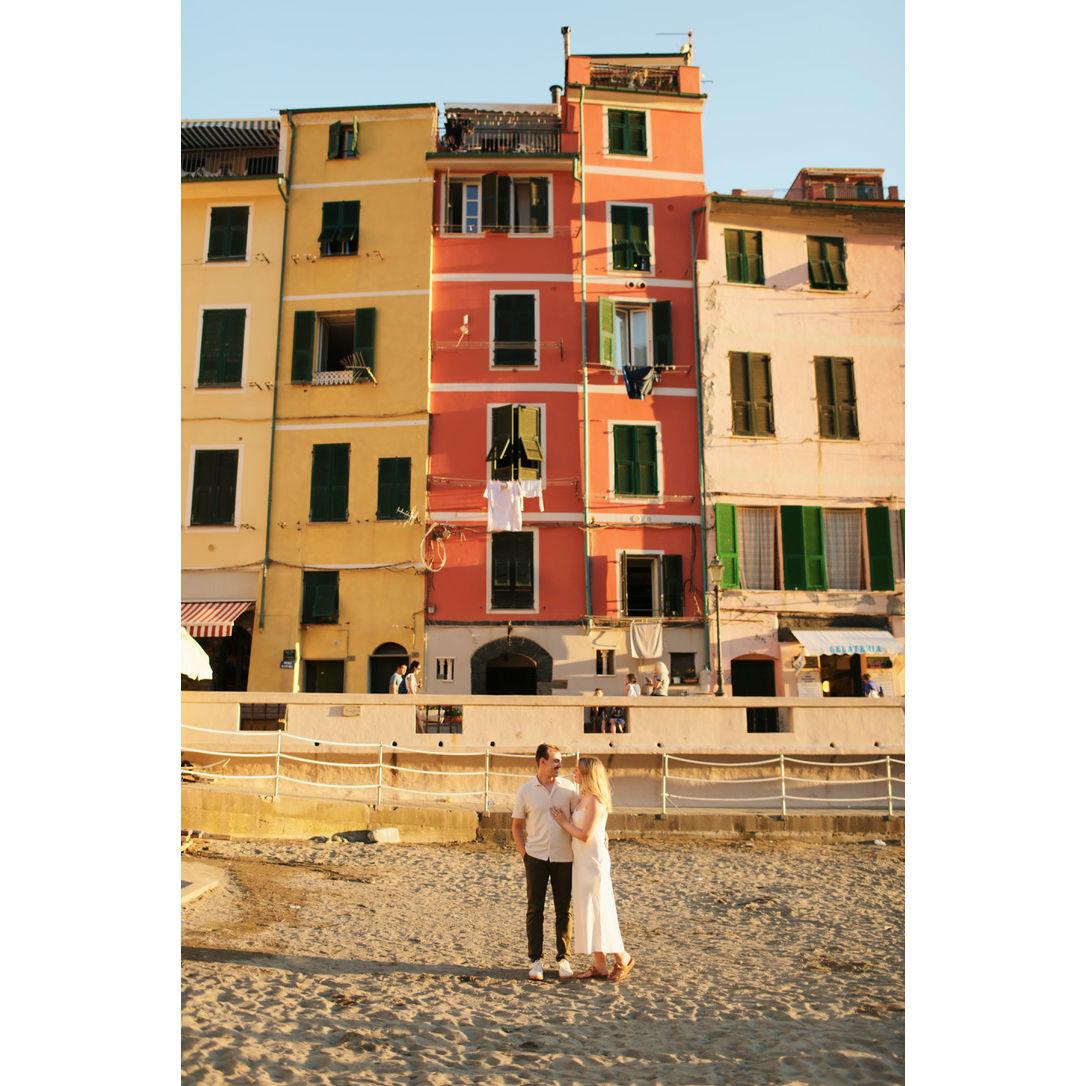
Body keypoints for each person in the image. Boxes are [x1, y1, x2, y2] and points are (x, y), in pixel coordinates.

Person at [550, 757, 635, 983]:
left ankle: (623, 958)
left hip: (593, 862)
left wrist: (563, 822)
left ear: (588, 774)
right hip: (582, 861)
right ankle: (599, 964)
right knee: (588, 909)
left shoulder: (596, 801)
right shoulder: (582, 797)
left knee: (600, 910)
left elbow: (586, 835)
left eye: (578, 771)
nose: (574, 773)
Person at [511, 744, 578, 982]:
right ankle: (536, 960)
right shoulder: (526, 790)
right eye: (555, 761)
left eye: (560, 761)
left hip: (564, 858)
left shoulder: (569, 789)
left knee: (564, 909)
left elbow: (581, 818)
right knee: (535, 909)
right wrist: (525, 855)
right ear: (541, 761)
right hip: (536, 858)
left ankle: (564, 959)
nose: (560, 765)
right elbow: (517, 825)